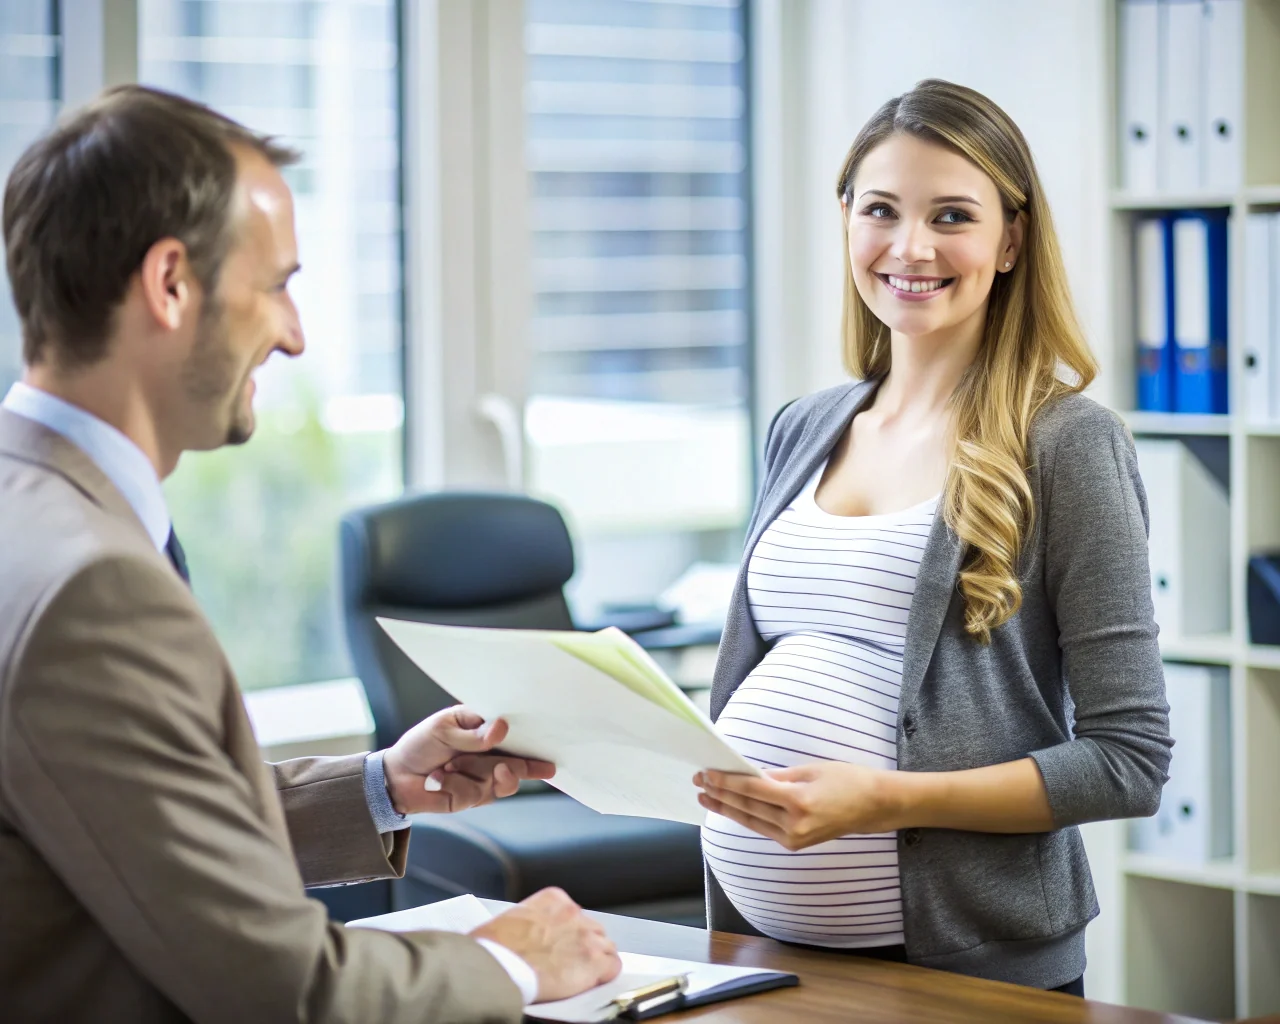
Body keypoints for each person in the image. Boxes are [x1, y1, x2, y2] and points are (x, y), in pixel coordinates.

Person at [0, 85, 620, 1022]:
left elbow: (128, 828)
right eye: (278, 285)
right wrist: (511, 963)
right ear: (170, 284)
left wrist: (377, 787)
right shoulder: (96, 585)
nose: (295, 335)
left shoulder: (33, 510)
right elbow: (282, 990)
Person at [691, 79, 1173, 996]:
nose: (910, 248)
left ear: (1010, 240)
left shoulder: (1067, 442)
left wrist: (883, 802)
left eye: (952, 215)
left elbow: (1127, 762)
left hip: (967, 975)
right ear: (845, 220)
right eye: (881, 210)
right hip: (765, 958)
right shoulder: (804, 425)